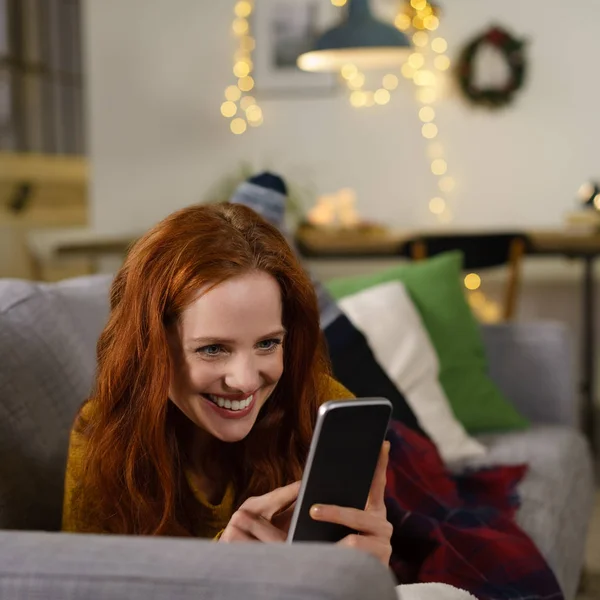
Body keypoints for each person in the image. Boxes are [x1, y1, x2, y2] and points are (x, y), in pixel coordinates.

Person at [62, 202, 393, 567]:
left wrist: (368, 572)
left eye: (268, 343)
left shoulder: (322, 407)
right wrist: (218, 570)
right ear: (149, 348)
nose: (245, 381)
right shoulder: (103, 435)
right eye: (213, 349)